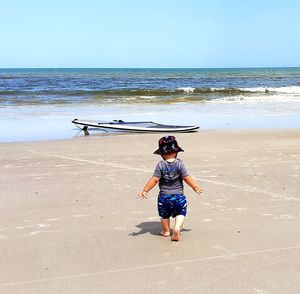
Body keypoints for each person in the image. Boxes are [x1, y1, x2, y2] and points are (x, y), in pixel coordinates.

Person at [137, 136, 202, 241]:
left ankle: (166, 231)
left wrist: (145, 190)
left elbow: (154, 179)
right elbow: (186, 177)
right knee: (180, 213)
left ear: (162, 154)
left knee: (164, 216)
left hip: (164, 197)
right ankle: (177, 228)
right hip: (179, 196)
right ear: (176, 152)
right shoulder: (180, 163)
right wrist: (195, 187)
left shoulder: (160, 165)